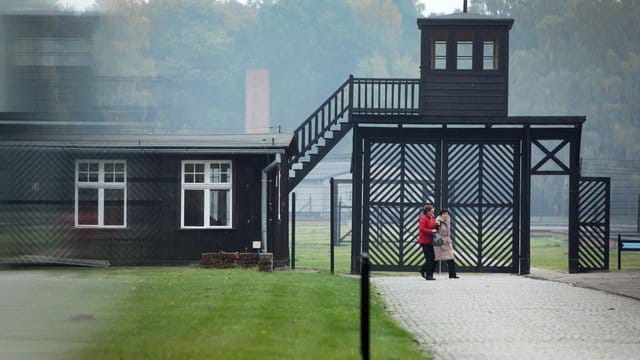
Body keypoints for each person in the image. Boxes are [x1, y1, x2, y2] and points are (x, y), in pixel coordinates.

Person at [434, 208, 459, 279]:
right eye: (444, 214)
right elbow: (435, 230)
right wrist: (437, 225)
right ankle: (424, 270)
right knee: (436, 259)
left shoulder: (448, 220)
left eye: (447, 214)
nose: (445, 215)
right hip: (440, 242)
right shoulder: (438, 221)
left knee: (451, 258)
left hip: (447, 242)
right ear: (441, 215)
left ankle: (452, 275)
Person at [418, 204, 438, 281]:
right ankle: (429, 275)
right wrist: (431, 231)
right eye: (432, 211)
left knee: (433, 258)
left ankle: (423, 269)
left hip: (431, 241)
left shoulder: (432, 218)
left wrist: (436, 226)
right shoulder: (423, 218)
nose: (433, 212)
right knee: (429, 258)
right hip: (424, 241)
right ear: (427, 211)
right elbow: (422, 229)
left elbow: (433, 227)